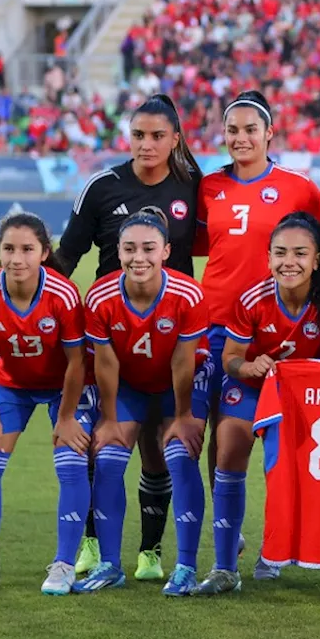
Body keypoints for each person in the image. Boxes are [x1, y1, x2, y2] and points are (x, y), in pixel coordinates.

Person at [55, 94, 202, 580]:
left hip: (172, 338)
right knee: (102, 444)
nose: (147, 144)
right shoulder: (102, 186)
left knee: (160, 450)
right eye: (139, 134)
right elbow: (65, 260)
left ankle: (151, 551)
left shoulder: (191, 185)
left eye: (158, 135)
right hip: (109, 334)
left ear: (175, 140)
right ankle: (95, 547)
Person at [204, 212, 320, 597]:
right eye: (280, 253)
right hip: (253, 387)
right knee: (229, 448)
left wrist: (295, 383)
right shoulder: (252, 298)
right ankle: (224, 566)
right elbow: (231, 360)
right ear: (268, 257)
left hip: (310, 392)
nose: (289, 262)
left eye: (300, 253)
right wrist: (250, 365)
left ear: (317, 259)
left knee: (311, 464)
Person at [195, 90, 320, 537]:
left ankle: (290, 527)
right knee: (221, 427)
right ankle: (228, 527)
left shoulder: (299, 188)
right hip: (214, 323)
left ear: (270, 133)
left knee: (286, 432)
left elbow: (319, 251)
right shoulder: (209, 187)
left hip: (279, 329)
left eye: (251, 129)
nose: (241, 138)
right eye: (233, 130)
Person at [73, 208, 209, 594]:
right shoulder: (100, 295)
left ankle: (185, 568)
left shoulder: (187, 293)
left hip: (177, 384)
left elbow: (184, 361)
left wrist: (184, 416)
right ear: (118, 251)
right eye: (130, 248)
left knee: (181, 456)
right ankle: (110, 565)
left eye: (149, 248)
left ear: (166, 251)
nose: (139, 257)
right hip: (130, 384)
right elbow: (105, 360)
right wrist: (111, 417)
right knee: (109, 457)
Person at [0, 213, 90, 595]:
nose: (17, 258)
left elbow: (79, 361)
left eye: (27, 249)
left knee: (71, 461)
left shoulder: (63, 295)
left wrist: (66, 417)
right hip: (9, 384)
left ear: (44, 252)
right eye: (8, 248)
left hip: (63, 386)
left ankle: (64, 565)